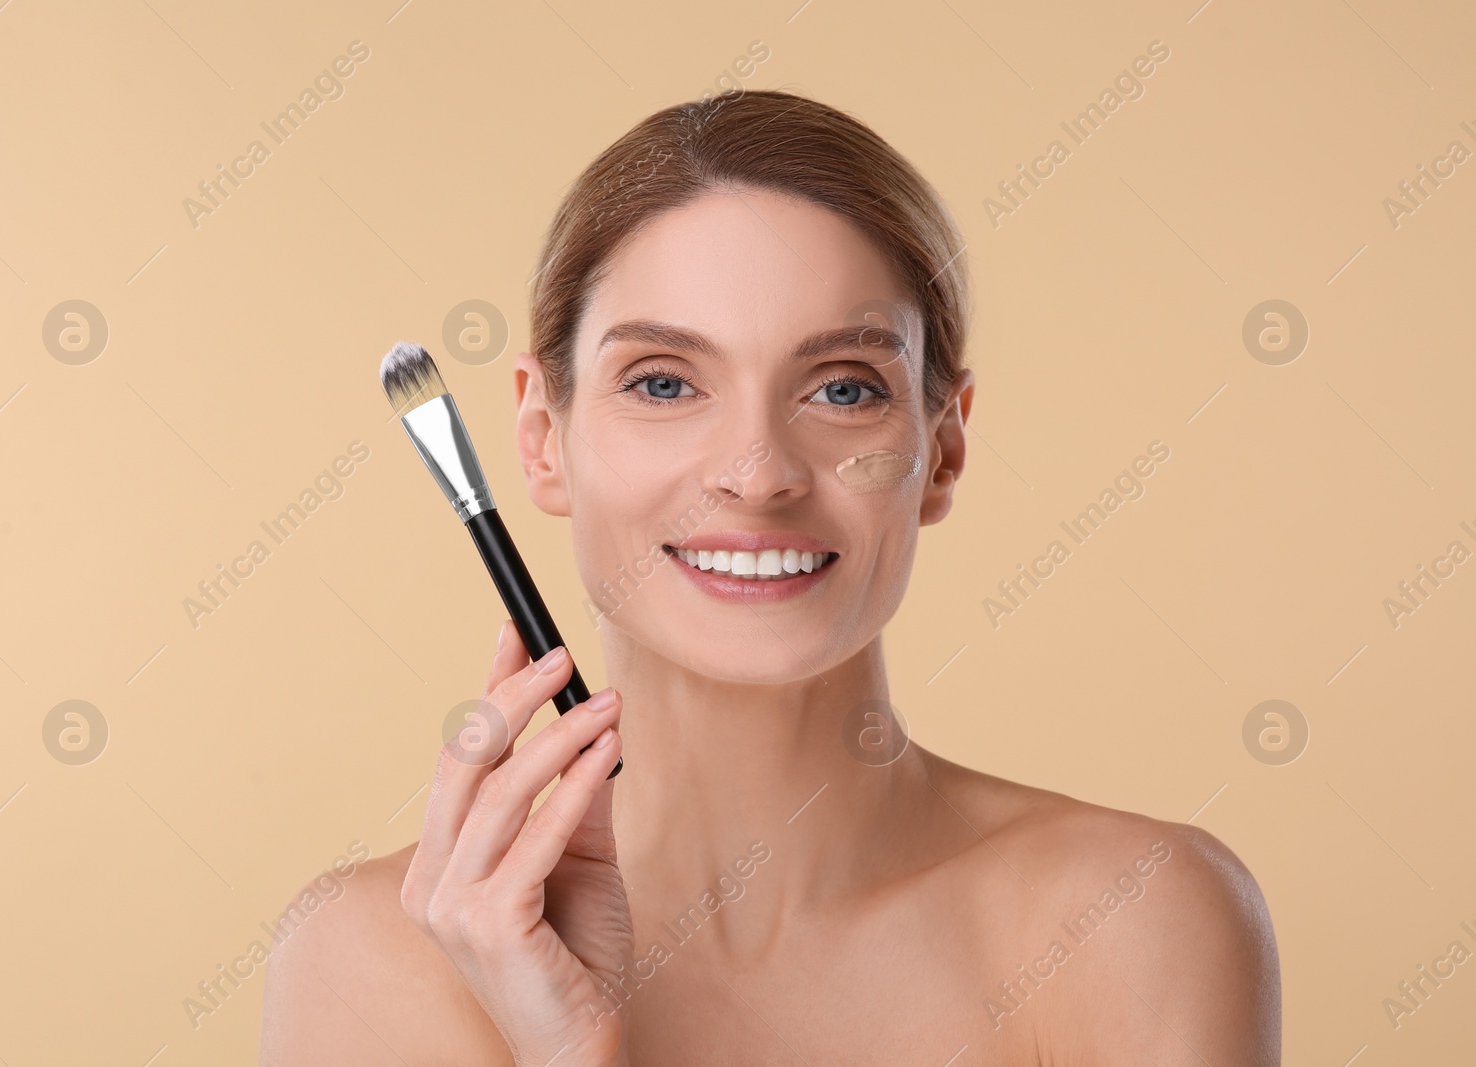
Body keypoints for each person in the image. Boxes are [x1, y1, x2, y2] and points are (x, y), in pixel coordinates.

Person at [260, 88, 1280, 1065]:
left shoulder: (1134, 917)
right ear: (539, 438)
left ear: (944, 449)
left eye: (842, 387)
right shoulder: (367, 963)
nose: (756, 474)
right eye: (664, 381)